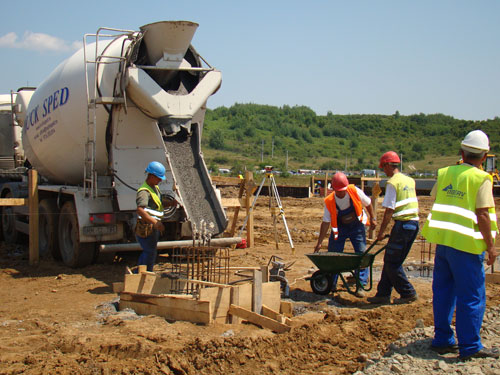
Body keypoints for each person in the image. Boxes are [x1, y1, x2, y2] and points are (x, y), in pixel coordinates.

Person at [421, 130, 499, 360]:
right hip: (466, 246)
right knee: (471, 296)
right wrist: (491, 246)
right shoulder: (481, 178)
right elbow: (483, 214)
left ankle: (442, 339)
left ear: (462, 152)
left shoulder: (445, 173)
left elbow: (438, 198)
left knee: (443, 292)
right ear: (484, 156)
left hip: (444, 243)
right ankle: (470, 346)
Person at [367, 151, 419, 305]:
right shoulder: (409, 180)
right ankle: (383, 293)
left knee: (392, 263)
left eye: (384, 167)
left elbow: (389, 210)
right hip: (413, 224)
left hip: (403, 224)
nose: (384, 171)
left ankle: (408, 292)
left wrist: (381, 232)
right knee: (391, 259)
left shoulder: (392, 183)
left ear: (389, 165)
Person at [314, 172, 377, 297]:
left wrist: (373, 218)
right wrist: (319, 242)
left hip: (357, 226)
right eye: (339, 191)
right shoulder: (330, 200)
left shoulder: (354, 191)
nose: (342, 193)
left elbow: (368, 203)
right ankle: (331, 282)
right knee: (334, 255)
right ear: (334, 189)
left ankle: (360, 284)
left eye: (343, 190)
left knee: (361, 254)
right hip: (340, 228)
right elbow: (325, 222)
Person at [135, 161, 166, 272]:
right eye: (158, 178)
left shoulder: (155, 187)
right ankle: (139, 275)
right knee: (148, 252)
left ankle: (146, 274)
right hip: (146, 227)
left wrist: (171, 203)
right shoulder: (144, 191)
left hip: (152, 228)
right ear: (151, 176)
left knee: (151, 252)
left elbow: (156, 204)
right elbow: (140, 210)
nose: (160, 180)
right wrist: (155, 222)